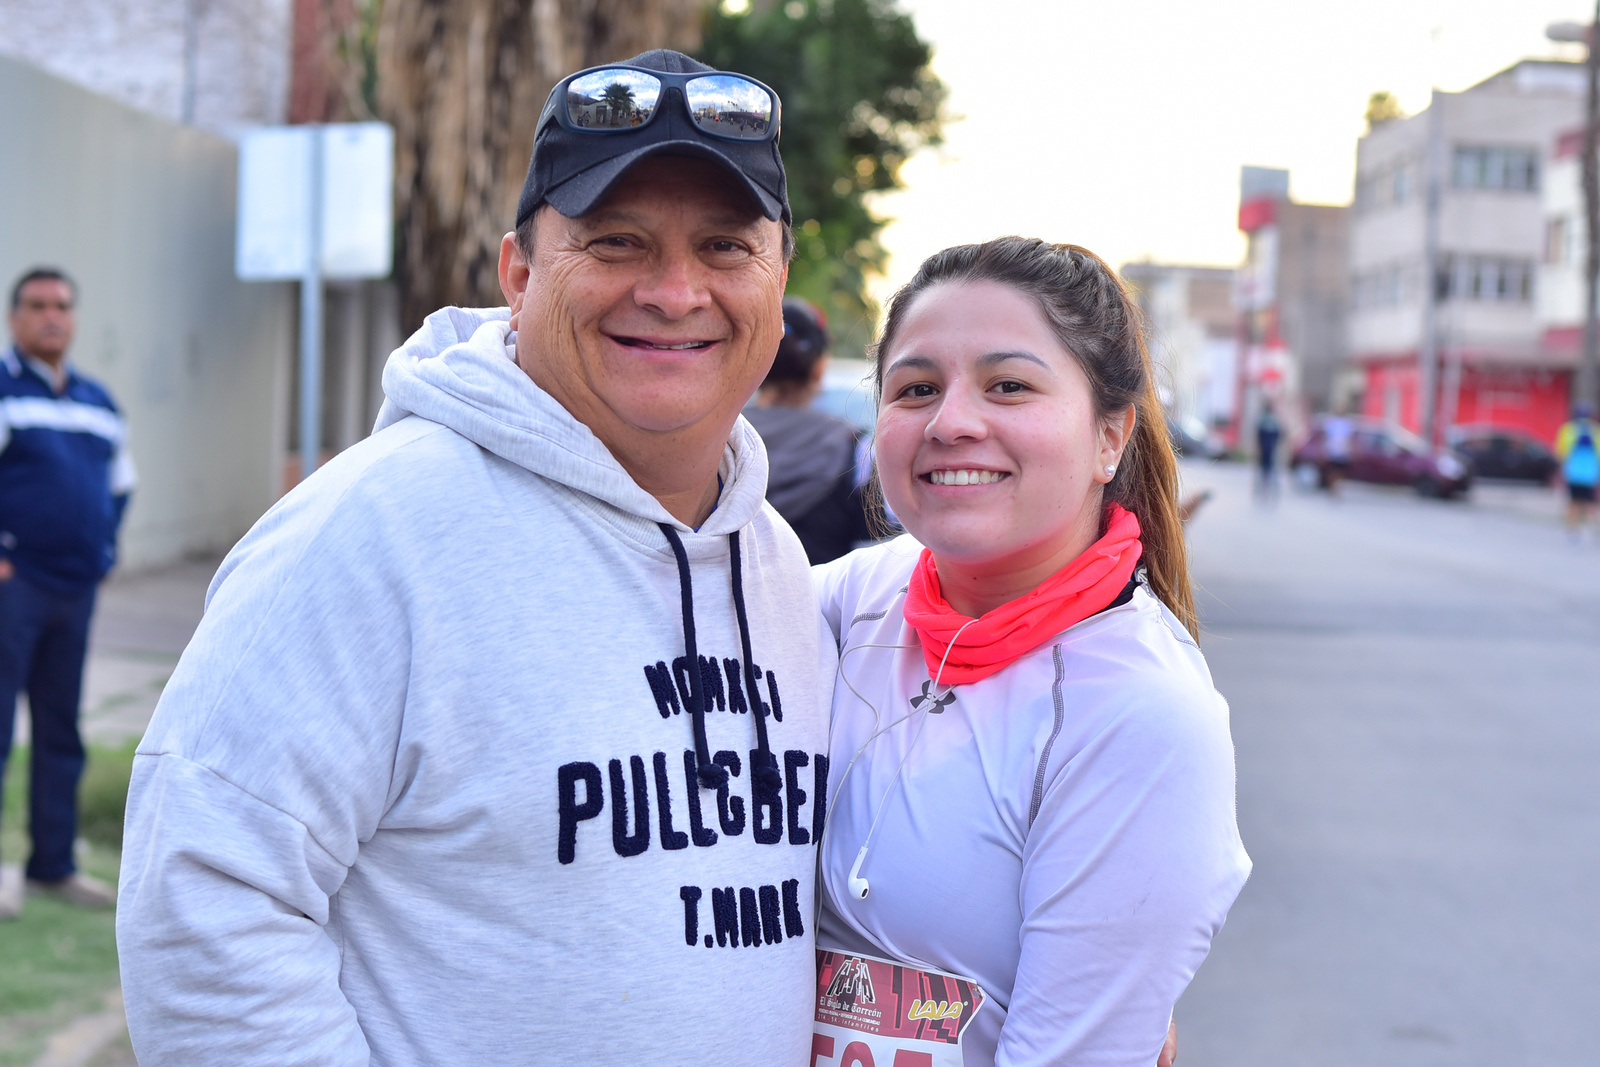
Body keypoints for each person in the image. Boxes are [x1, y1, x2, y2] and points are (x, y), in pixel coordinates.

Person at [117, 50, 830, 1066]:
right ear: (519, 273)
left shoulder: (776, 563)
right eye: (615, 241)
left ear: (778, 279)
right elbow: (201, 899)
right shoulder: (367, 532)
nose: (676, 292)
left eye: (725, 246)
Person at [812, 238, 1249, 1067]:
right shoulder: (842, 601)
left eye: (1008, 385)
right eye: (915, 388)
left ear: (1109, 436)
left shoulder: (1141, 711)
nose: (950, 422)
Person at [0, 268, 134, 920]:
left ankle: (53, 865)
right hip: (14, 587)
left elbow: (120, 485)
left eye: (62, 305)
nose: (51, 315)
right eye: (37, 305)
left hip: (74, 591)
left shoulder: (98, 402)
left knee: (61, 731)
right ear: (14, 317)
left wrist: (104, 549)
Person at [746, 298, 871, 564]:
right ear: (818, 368)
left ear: (755, 361)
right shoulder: (853, 448)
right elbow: (872, 555)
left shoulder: (716, 441)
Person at [1555, 402, 1599, 541]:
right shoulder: (1595, 430)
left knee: (1573, 503)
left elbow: (1560, 452)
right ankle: (1594, 530)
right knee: (1590, 504)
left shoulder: (1568, 429)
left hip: (1573, 474)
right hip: (1590, 474)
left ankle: (1572, 531)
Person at [1255, 401, 1281, 498]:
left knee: (1266, 470)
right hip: (1268, 450)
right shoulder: (1271, 420)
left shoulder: (1266, 420)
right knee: (1266, 470)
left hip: (1268, 450)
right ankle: (1265, 490)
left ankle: (1266, 490)